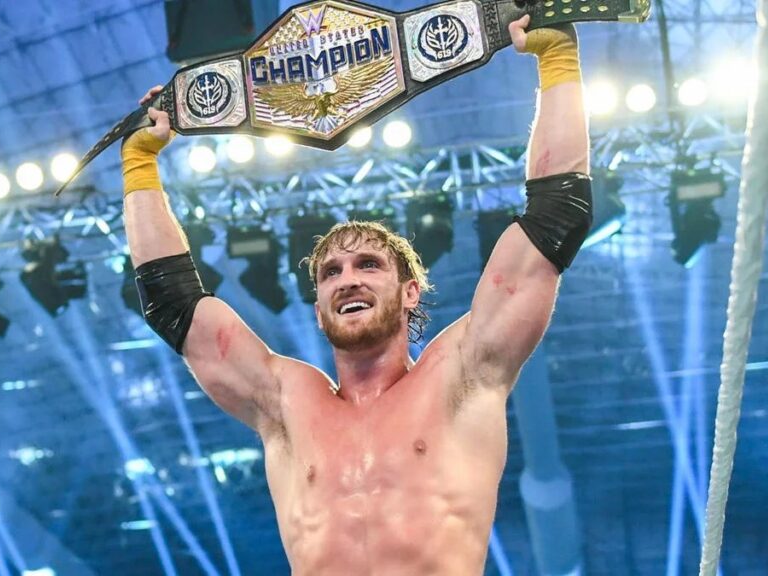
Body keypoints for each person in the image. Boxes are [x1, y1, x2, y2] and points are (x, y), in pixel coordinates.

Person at [121, 15, 591, 575]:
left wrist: (557, 60)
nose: (347, 278)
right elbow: (173, 304)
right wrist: (139, 163)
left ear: (410, 292)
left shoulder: (462, 374)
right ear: (319, 309)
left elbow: (556, 217)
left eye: (369, 264)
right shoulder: (286, 403)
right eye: (331, 273)